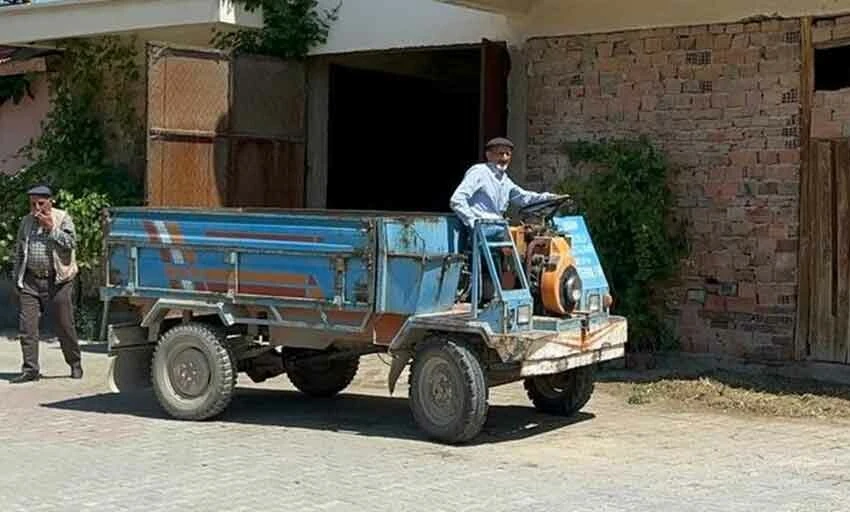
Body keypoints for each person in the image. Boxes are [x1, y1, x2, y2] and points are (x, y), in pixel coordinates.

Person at [10, 185, 82, 383]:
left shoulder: (62, 218)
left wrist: (52, 228)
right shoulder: (26, 222)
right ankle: (30, 369)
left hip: (58, 280)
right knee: (27, 327)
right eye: (32, 203)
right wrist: (17, 279)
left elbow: (71, 243)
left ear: (50, 201)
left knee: (64, 324)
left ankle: (75, 363)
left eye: (40, 203)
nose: (36, 208)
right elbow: (19, 251)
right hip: (31, 281)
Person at [450, 137, 560, 231]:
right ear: (488, 155)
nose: (504, 158)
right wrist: (473, 221)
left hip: (498, 226)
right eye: (500, 154)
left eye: (508, 154)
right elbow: (457, 199)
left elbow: (524, 197)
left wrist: (550, 198)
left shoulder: (505, 180)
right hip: (482, 228)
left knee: (530, 235)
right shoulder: (479, 171)